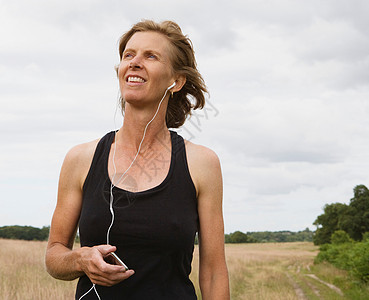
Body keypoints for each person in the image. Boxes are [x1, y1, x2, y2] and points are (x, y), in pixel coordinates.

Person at [45, 20, 230, 300]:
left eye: (151, 56)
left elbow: (214, 271)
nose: (134, 63)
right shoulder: (81, 159)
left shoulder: (201, 163)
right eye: (128, 55)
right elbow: (54, 254)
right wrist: (81, 259)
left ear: (176, 81)